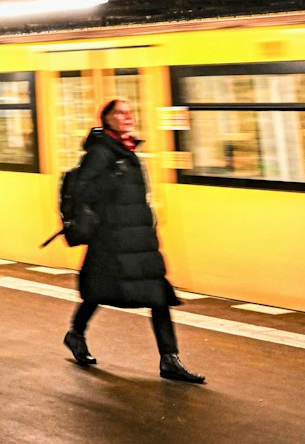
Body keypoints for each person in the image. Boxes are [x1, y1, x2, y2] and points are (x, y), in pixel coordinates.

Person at [62, 98, 205, 383]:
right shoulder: (101, 153)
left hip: (138, 238)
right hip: (112, 239)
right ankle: (75, 334)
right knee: (98, 291)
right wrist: (112, 179)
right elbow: (83, 192)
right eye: (121, 113)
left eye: (130, 112)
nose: (128, 117)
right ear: (107, 119)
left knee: (157, 295)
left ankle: (169, 359)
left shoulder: (127, 152)